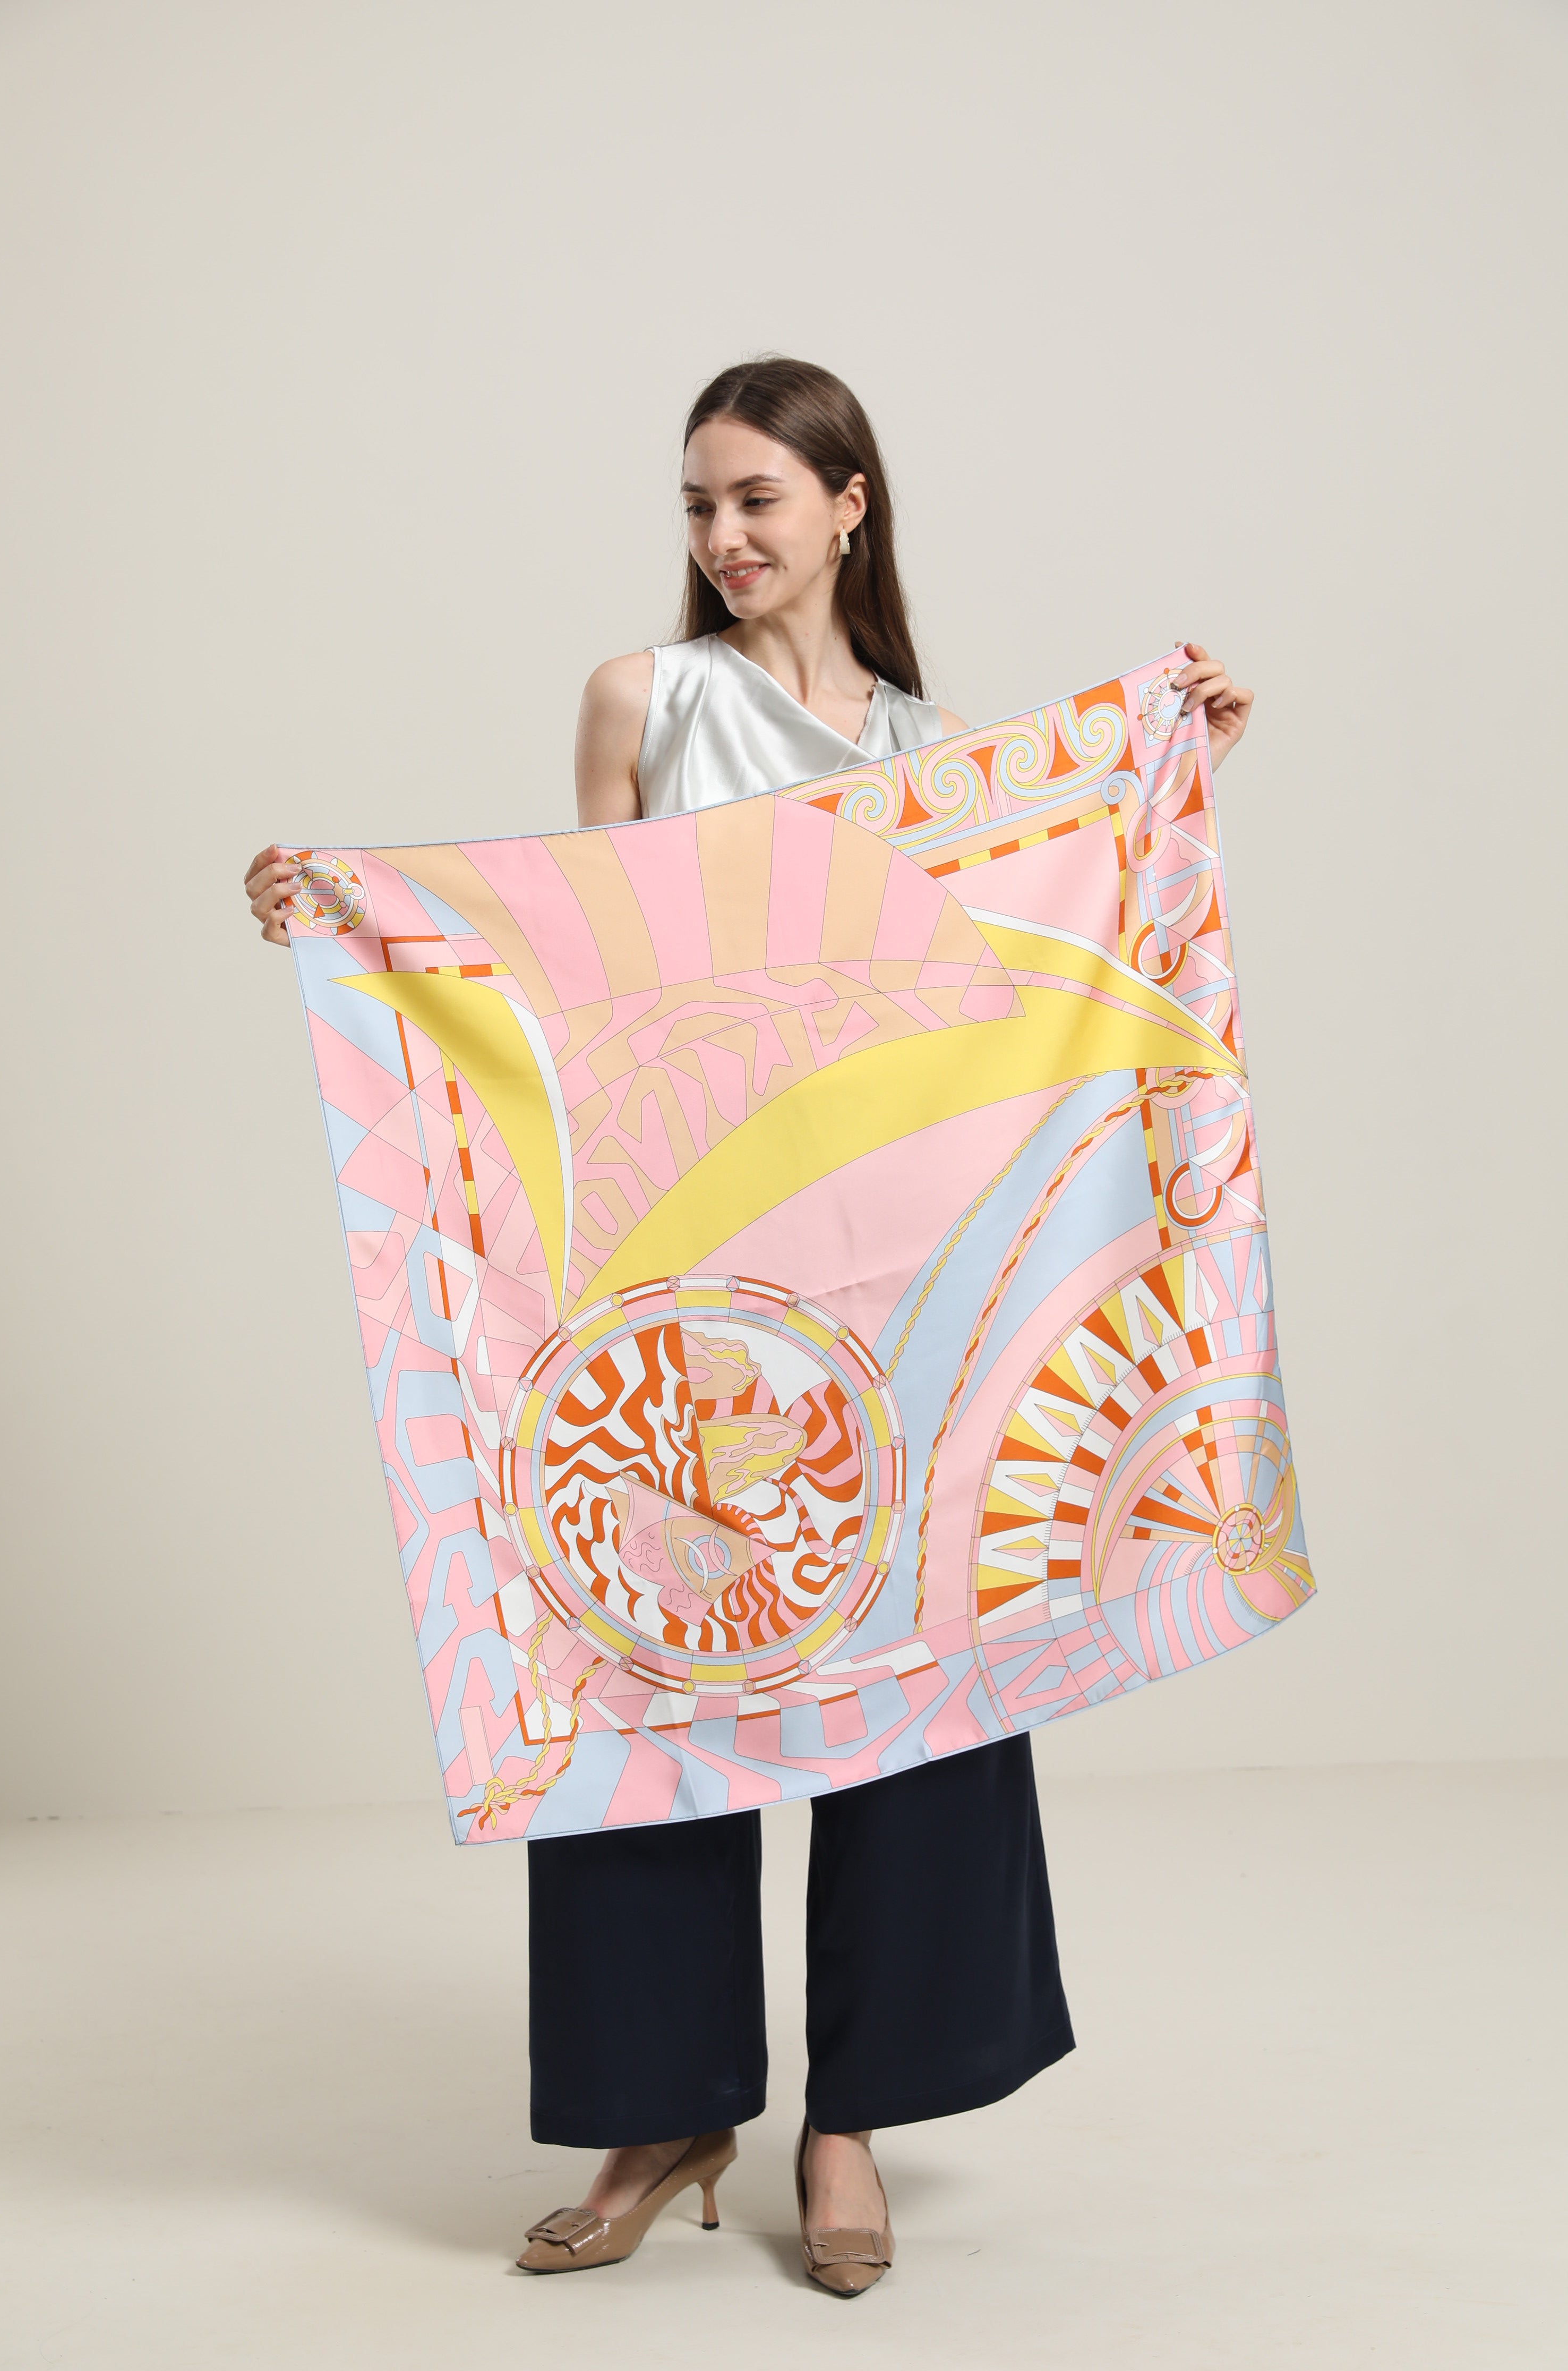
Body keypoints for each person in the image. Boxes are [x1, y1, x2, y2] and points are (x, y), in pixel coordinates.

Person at [243, 356, 1253, 2296]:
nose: (721, 536)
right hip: (691, 1284)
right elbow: (562, 964)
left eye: (757, 498)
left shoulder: (946, 757)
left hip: (903, 1290)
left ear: (849, 505)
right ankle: (664, 2108)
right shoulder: (646, 697)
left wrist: (1177, 758)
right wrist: (348, 909)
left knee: (922, 1677)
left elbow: (1041, 955)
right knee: (643, 1674)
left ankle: (851, 2116)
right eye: (698, 504)